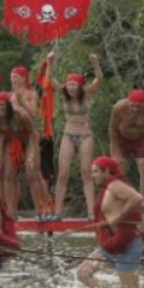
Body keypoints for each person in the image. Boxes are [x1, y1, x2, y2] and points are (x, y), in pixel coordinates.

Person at [76, 156, 144, 288]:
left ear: (107, 171)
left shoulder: (116, 185)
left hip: (127, 244)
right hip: (111, 243)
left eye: (95, 171)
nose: (92, 175)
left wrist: (117, 219)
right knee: (83, 273)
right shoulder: (108, 188)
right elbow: (141, 206)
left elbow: (139, 201)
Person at [47, 52, 103, 220]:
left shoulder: (87, 94)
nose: (71, 87)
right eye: (69, 84)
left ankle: (92, 212)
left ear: (79, 86)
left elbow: (98, 80)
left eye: (74, 85)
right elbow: (51, 80)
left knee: (86, 173)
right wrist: (50, 62)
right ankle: (57, 212)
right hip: (68, 134)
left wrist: (96, 64)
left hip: (84, 134)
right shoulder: (64, 94)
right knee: (63, 174)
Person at [0, 92, 51, 217]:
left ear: (7, 105)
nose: (0, 108)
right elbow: (1, 136)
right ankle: (11, 211)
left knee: (32, 173)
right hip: (13, 141)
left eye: (2, 105)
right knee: (8, 174)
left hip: (29, 140)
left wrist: (32, 155)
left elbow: (34, 134)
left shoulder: (21, 115)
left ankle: (40, 209)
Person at [109, 89, 144, 203]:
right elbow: (112, 131)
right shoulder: (119, 108)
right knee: (118, 167)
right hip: (121, 139)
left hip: (141, 140)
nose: (135, 109)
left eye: (139, 106)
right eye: (133, 106)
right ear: (128, 102)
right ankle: (119, 203)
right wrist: (115, 153)